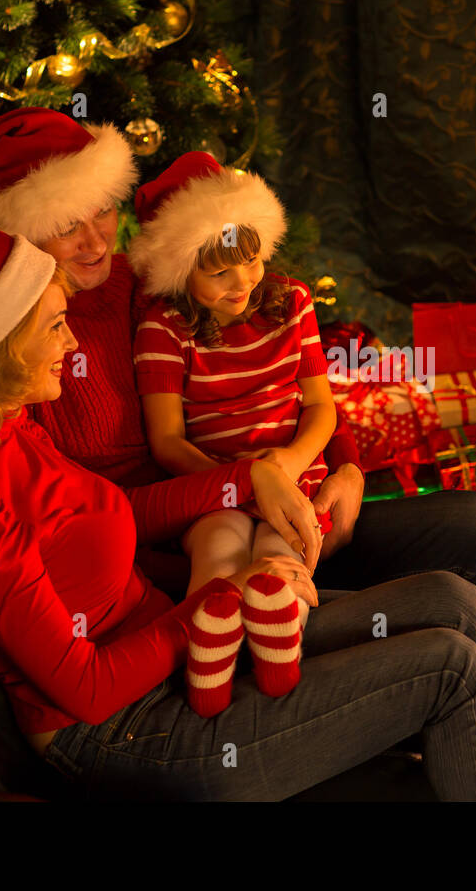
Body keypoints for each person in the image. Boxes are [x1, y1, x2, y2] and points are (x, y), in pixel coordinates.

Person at [0, 225, 476, 799]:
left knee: (454, 603)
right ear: (1, 347)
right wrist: (220, 594)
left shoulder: (10, 422)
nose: (73, 341)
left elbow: (115, 522)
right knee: (452, 669)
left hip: (183, 639)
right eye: (56, 326)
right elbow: (84, 689)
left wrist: (248, 482)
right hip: (123, 724)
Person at [0, 107, 476, 666]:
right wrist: (244, 492)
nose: (97, 241)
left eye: (103, 213)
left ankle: (456, 734)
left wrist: (345, 470)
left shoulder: (147, 279)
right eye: (68, 228)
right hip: (183, 560)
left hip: (283, 499)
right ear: (17, 235)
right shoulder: (21, 354)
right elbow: (92, 526)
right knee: (447, 615)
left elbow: (293, 377)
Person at [127, 153, 337, 653]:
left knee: (281, 559)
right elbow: (167, 440)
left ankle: (276, 658)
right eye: (220, 273)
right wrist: (233, 484)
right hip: (212, 488)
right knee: (219, 553)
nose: (242, 282)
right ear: (180, 272)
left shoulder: (293, 302)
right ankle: (209, 660)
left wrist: (287, 464)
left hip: (292, 484)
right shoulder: (163, 329)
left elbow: (321, 407)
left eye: (251, 261)